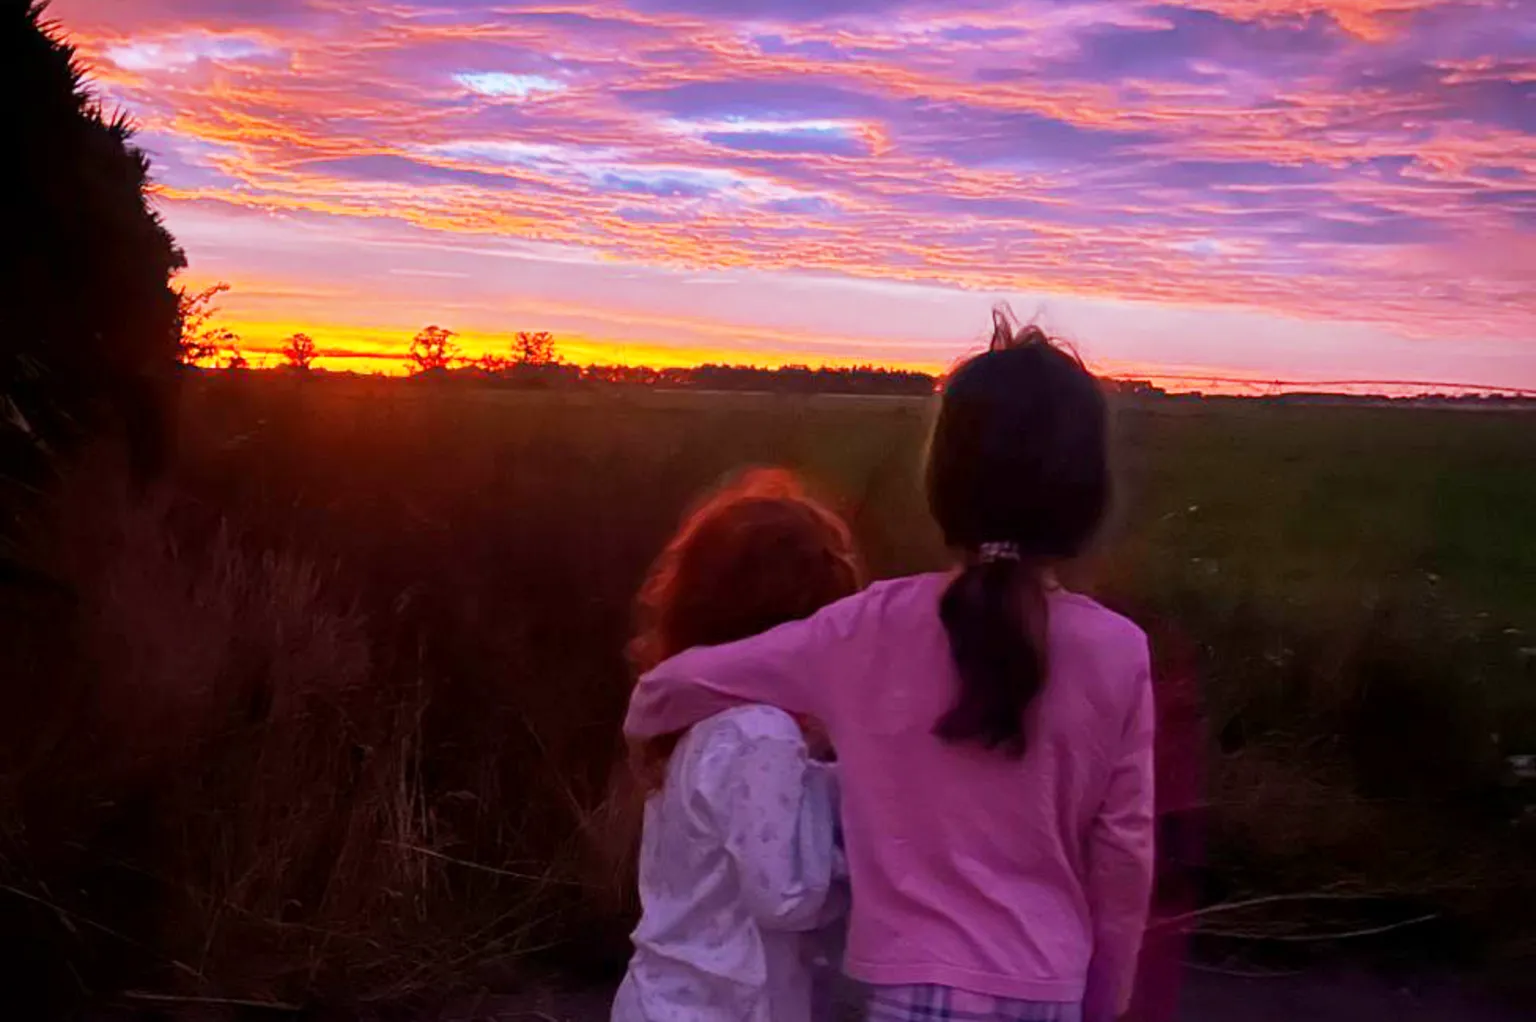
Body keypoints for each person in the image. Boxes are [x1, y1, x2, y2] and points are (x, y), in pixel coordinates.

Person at [626, 311, 1156, 1022]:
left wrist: (645, 728)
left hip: (906, 990)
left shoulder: (864, 628)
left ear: (943, 481)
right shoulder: (1120, 651)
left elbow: (677, 683)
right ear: (1088, 496)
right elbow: (1123, 858)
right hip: (1050, 987)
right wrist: (1106, 1000)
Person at [611, 468, 863, 1022]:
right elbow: (787, 896)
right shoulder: (758, 735)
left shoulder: (688, 716)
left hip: (664, 998)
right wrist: (873, 864)